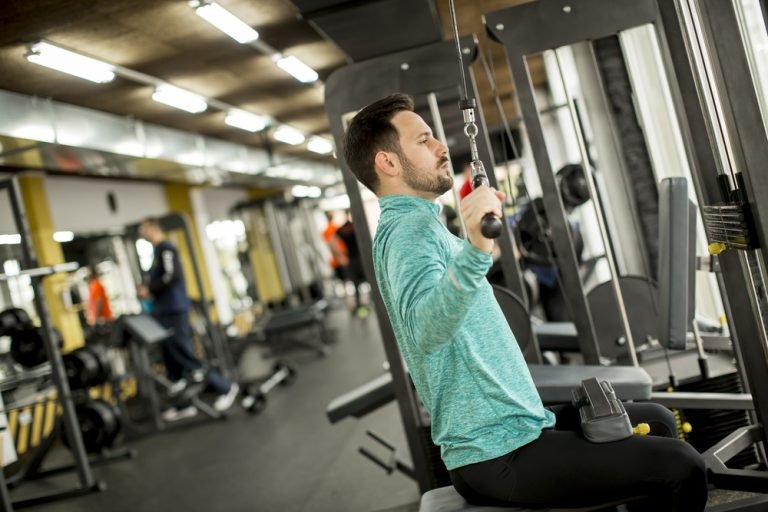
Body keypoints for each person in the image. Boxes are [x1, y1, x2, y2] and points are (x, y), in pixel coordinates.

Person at [342, 93, 707, 511]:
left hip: (519, 429)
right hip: (499, 456)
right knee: (682, 466)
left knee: (656, 420)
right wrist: (478, 247)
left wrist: (476, 247)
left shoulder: (422, 223)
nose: (442, 147)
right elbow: (425, 330)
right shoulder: (408, 232)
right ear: (387, 163)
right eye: (424, 141)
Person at [137, 217, 238, 421]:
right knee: (171, 360)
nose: (142, 233)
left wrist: (150, 289)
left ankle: (226, 388)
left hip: (174, 309)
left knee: (183, 354)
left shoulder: (165, 248)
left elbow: (170, 276)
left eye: (144, 229)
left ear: (154, 228)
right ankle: (184, 404)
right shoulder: (157, 252)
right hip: (163, 310)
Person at [334, 211, 369, 318]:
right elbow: (333, 242)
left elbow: (333, 242)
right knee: (359, 283)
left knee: (358, 283)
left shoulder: (343, 229)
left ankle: (362, 304)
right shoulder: (352, 227)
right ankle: (361, 305)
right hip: (356, 259)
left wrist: (341, 255)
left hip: (355, 259)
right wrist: (341, 256)